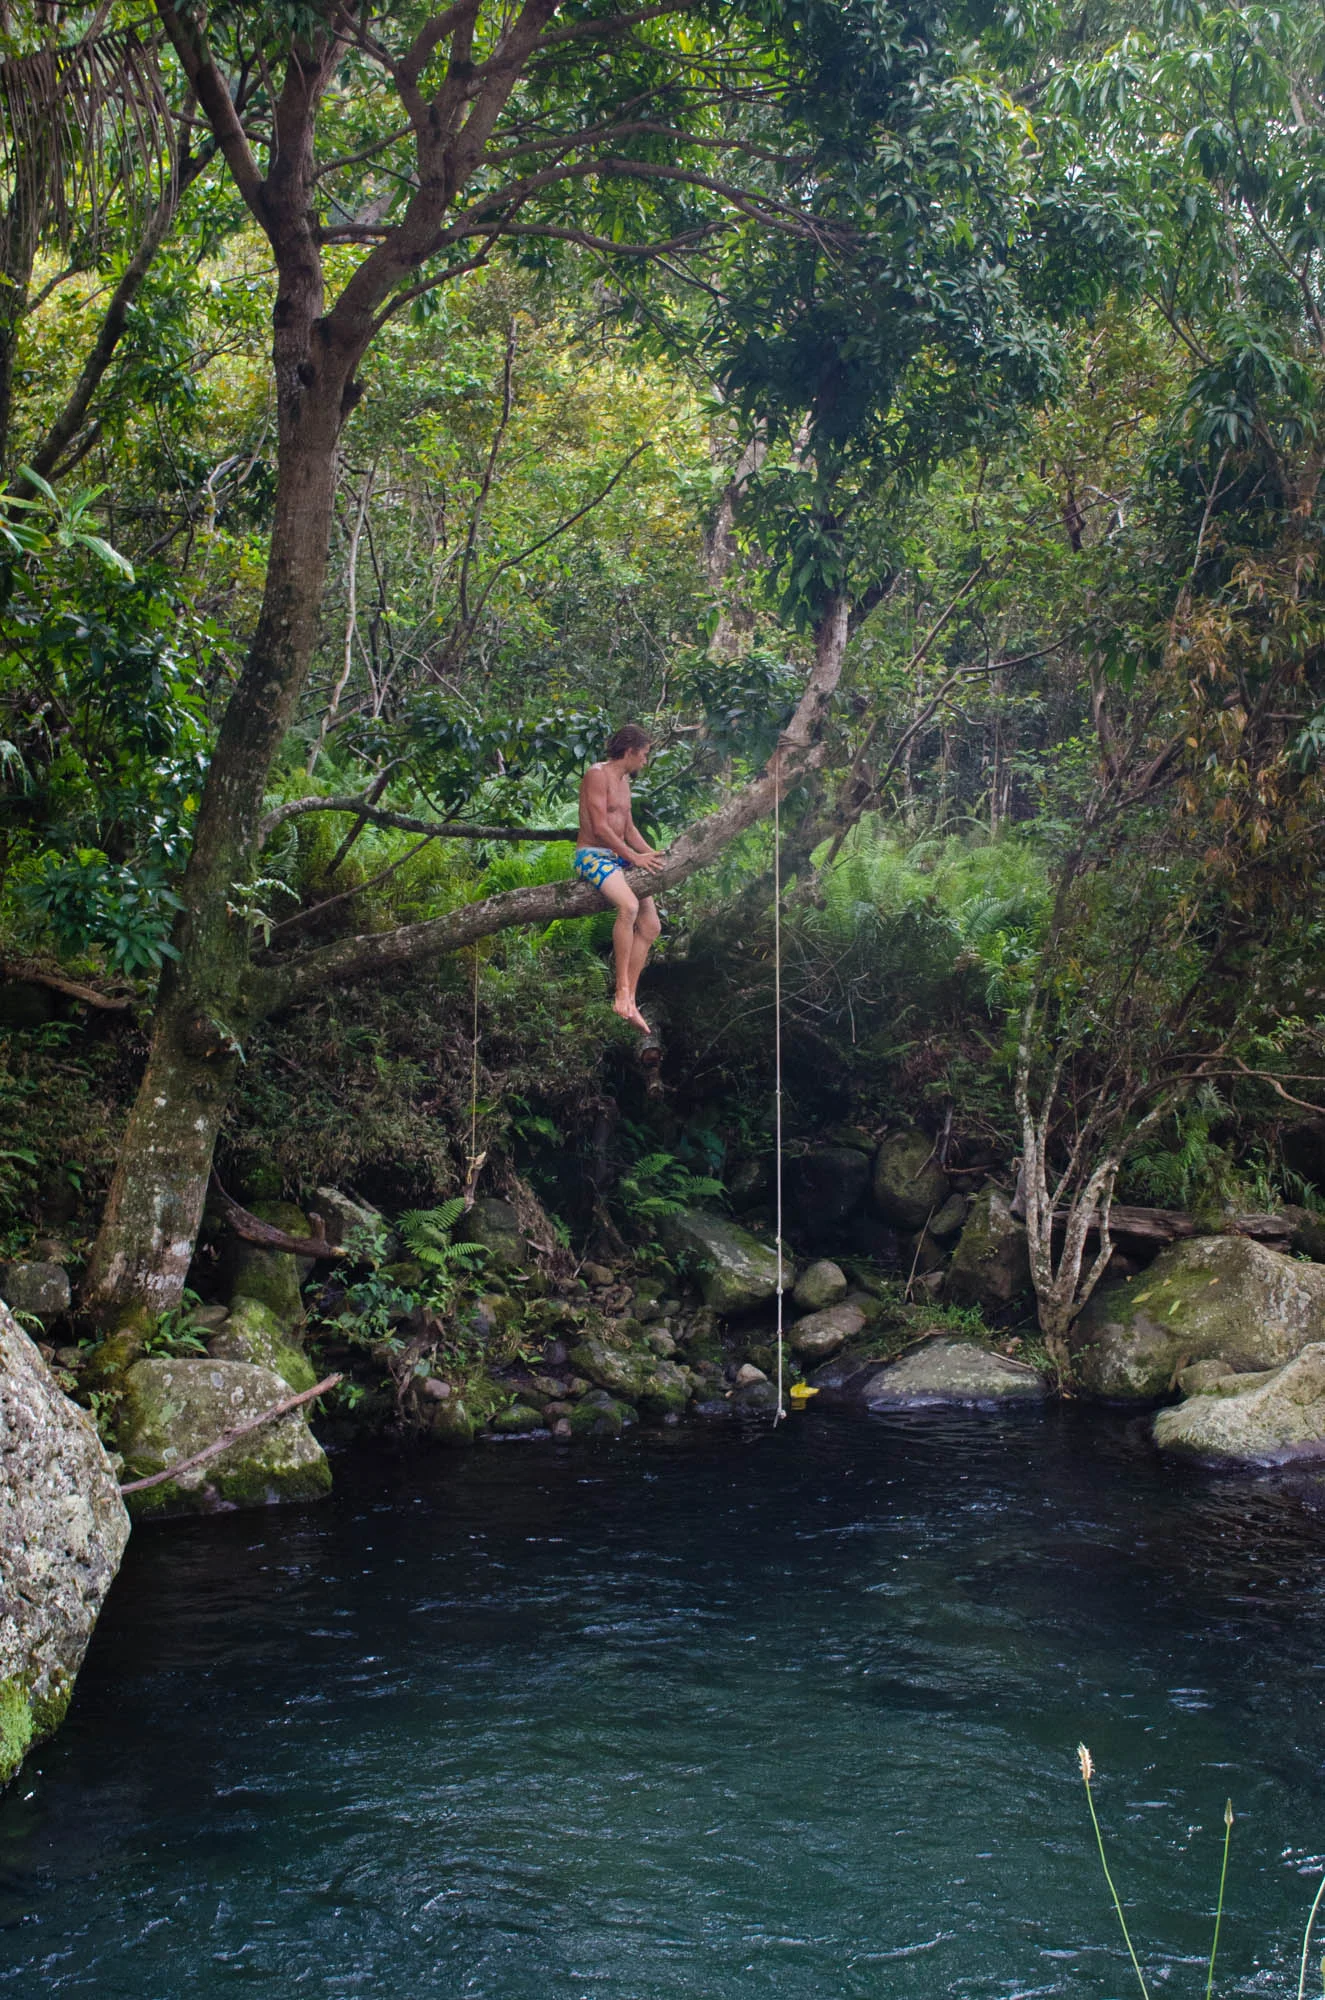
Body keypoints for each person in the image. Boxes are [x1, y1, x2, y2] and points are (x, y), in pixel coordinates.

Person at [574, 723, 665, 1032]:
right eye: (644, 754)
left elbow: (628, 830)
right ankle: (621, 991)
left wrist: (652, 854)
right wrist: (634, 858)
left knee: (652, 925)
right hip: (593, 855)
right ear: (629, 751)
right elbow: (600, 828)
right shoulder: (597, 775)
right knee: (629, 907)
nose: (645, 760)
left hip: (619, 856)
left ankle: (631, 1000)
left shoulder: (626, 781)